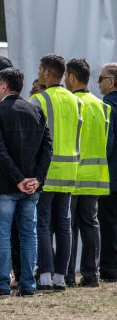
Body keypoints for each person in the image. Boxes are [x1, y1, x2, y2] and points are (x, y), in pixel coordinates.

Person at [0, 67, 53, 297]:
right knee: (28, 235)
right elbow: (47, 147)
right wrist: (37, 179)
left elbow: (0, 151)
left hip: (5, 184)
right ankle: (28, 285)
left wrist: (18, 179)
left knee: (2, 235)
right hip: (31, 185)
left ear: (3, 86)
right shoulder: (36, 110)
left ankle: (2, 284)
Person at [30, 54, 82, 291]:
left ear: (47, 73)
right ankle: (61, 276)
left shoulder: (39, 100)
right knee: (64, 226)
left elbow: (34, 141)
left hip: (46, 171)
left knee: (41, 224)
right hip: (70, 170)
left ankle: (45, 276)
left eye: (40, 69)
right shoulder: (76, 101)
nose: (39, 73)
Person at [65, 58, 109, 287]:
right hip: (94, 176)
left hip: (72, 175)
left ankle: (68, 275)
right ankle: (92, 275)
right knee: (91, 225)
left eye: (65, 76)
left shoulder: (71, 102)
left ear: (71, 77)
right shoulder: (102, 105)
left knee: (68, 227)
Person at [97, 62, 117, 281]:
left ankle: (110, 269)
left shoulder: (107, 106)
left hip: (111, 175)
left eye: (101, 78)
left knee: (108, 224)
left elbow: (107, 142)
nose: (98, 83)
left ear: (111, 81)